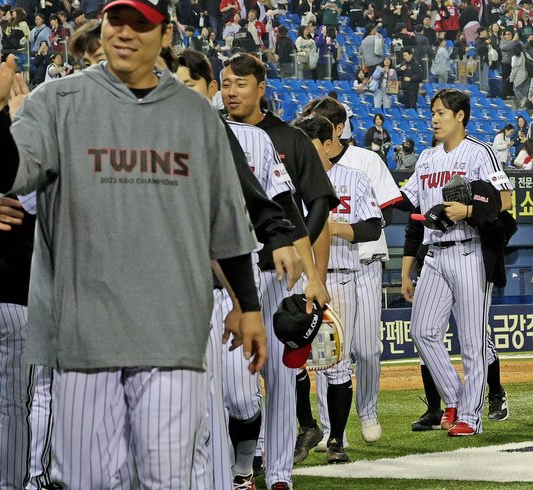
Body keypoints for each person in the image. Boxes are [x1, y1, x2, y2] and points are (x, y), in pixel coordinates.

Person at [0, 0, 265, 487]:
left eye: (142, 23)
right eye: (117, 19)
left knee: (167, 479)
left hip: (173, 333)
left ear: (166, 35)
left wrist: (248, 306)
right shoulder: (57, 101)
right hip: (85, 334)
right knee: (91, 481)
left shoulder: (197, 115)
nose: (125, 32)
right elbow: (4, 177)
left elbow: (226, 221)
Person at [219, 52, 334, 488]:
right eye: (225, 83)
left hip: (274, 276)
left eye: (240, 83)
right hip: (231, 277)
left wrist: (313, 276)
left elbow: (297, 213)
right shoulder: (212, 132)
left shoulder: (288, 138)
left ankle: (280, 474)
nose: (231, 91)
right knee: (238, 389)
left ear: (261, 87)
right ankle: (243, 464)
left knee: (281, 382)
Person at [399, 89, 513, 437]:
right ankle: (454, 398)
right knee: (422, 331)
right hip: (434, 252)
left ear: (460, 116)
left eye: (441, 113)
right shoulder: (427, 158)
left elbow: (505, 199)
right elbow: (407, 200)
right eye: (432, 113)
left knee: (472, 339)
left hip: (469, 250)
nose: (434, 119)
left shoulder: (479, 152)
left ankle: (471, 417)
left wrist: (469, 210)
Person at [293, 115, 383, 463]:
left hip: (341, 276)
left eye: (310, 145)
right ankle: (308, 427)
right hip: (300, 278)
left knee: (337, 363)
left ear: (329, 144)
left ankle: (337, 442)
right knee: (296, 359)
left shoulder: (354, 179)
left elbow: (373, 227)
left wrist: (332, 228)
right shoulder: (290, 183)